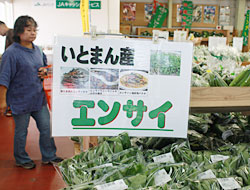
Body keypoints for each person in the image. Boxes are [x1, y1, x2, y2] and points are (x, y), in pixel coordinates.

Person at [0, 15, 63, 169]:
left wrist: (44, 72)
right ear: (19, 32)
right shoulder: (11, 53)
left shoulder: (37, 50)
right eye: (28, 30)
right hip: (20, 100)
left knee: (46, 128)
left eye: (34, 30)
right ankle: (21, 159)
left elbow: (43, 68)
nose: (33, 33)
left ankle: (49, 156)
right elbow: (3, 79)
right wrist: (2, 101)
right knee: (21, 132)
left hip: (38, 98)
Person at [0, 21, 14, 116]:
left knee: (9, 85)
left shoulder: (11, 33)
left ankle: (11, 108)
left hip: (12, 65)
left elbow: (13, 51)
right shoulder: (11, 33)